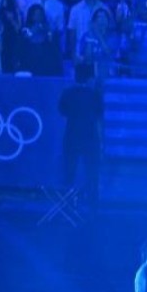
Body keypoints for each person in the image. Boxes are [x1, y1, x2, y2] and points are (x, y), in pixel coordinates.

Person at [57, 62, 103, 204]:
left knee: (69, 173)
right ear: (90, 78)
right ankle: (92, 206)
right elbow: (99, 113)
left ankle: (68, 204)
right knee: (92, 175)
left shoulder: (67, 93)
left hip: (71, 137)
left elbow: (62, 111)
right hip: (90, 138)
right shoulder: (95, 95)